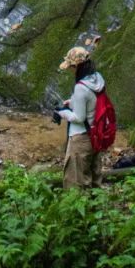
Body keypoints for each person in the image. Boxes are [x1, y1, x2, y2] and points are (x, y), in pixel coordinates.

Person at [54, 45, 107, 189]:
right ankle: (96, 206)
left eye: (71, 66)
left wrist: (62, 113)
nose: (70, 70)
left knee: (76, 180)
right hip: (96, 133)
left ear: (78, 66)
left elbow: (78, 117)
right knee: (94, 174)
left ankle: (78, 209)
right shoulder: (97, 79)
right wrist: (73, 102)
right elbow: (92, 102)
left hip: (81, 138)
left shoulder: (80, 88)